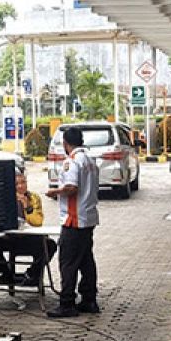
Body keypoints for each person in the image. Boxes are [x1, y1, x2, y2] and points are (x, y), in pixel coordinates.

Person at [45, 127, 100, 317]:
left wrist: (54, 192)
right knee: (86, 261)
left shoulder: (72, 161)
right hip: (89, 217)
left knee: (67, 262)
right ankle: (89, 299)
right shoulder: (90, 160)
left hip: (74, 219)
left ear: (66, 144)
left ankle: (67, 302)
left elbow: (71, 187)